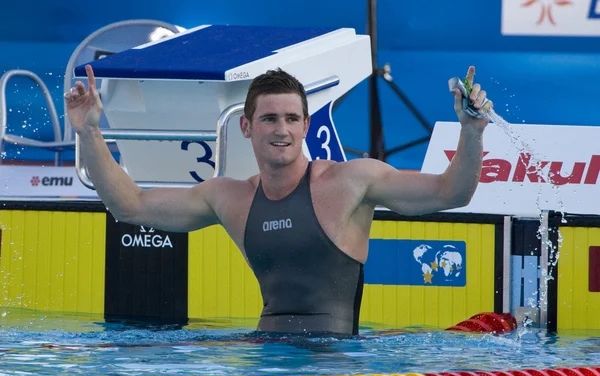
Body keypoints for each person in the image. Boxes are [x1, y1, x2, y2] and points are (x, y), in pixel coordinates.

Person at [65, 65, 492, 336]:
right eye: (269, 118)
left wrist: (471, 132)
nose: (281, 130)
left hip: (336, 366)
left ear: (306, 125)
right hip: (262, 356)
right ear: (247, 127)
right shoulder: (229, 197)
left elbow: (449, 191)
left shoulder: (352, 180)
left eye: (291, 118)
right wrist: (89, 132)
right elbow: (130, 206)